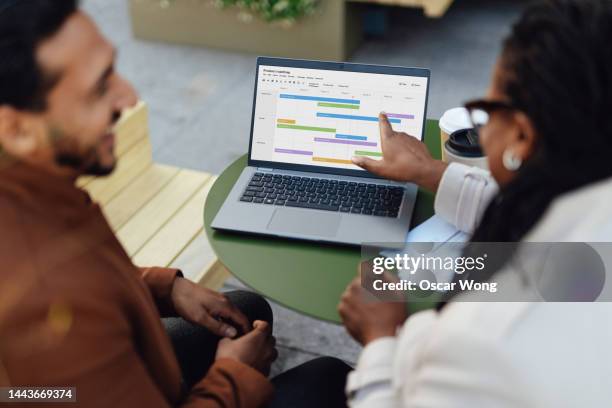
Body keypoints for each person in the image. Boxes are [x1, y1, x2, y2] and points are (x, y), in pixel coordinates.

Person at [337, 0, 612, 406]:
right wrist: (429, 171)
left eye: (484, 111)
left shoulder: (480, 344)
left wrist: (381, 340)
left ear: (521, 135)